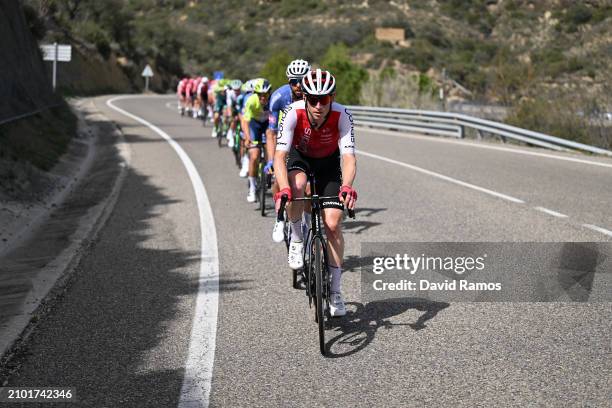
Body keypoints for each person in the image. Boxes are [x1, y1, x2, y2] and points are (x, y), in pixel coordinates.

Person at [273, 69, 357, 317]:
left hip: (328, 165)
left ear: (332, 97)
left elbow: (349, 158)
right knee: (297, 187)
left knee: (332, 224)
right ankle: (297, 239)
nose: (319, 105)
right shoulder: (292, 112)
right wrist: (284, 189)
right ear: (304, 97)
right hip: (300, 158)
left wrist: (347, 186)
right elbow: (279, 157)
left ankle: (336, 291)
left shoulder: (342, 114)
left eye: (325, 99)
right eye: (313, 99)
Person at [243, 78, 272, 202]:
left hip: (267, 125)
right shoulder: (251, 101)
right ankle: (252, 189)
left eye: (265, 95)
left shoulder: (273, 101)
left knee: (269, 150)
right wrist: (248, 137)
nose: (263, 98)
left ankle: (269, 173)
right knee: (254, 155)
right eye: (260, 95)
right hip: (255, 125)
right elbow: (245, 121)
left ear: (269, 94)